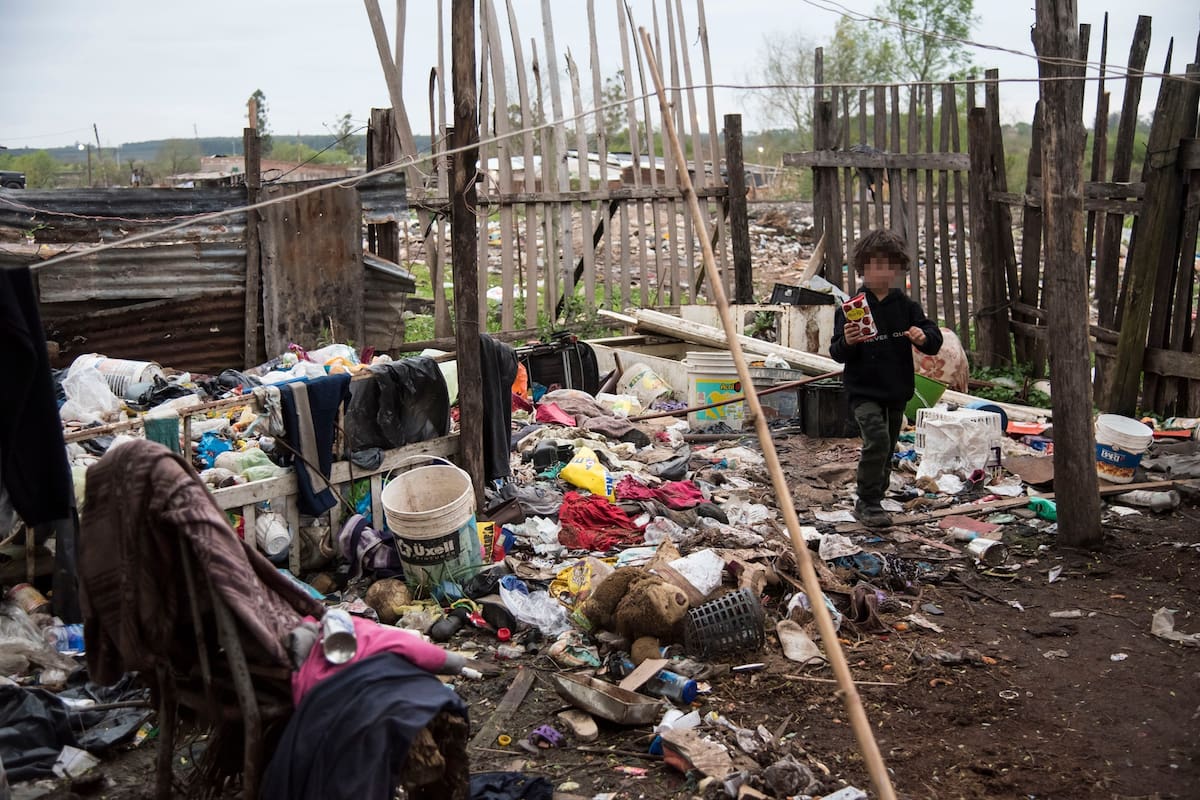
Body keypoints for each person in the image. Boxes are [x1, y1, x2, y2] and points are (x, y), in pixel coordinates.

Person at [830, 229, 943, 528]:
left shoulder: (906, 308)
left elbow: (933, 339)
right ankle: (866, 500)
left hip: (896, 390)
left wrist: (922, 337)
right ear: (862, 268)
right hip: (863, 390)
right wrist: (848, 341)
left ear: (898, 269)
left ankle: (876, 496)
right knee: (877, 440)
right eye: (874, 264)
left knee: (888, 446)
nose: (881, 271)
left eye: (888, 265)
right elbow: (837, 353)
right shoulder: (851, 309)